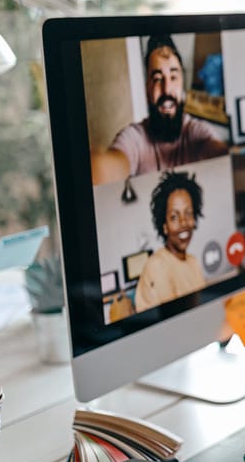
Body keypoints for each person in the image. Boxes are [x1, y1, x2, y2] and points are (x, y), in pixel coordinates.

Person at [92, 35, 228, 183]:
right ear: (147, 90)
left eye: (174, 77)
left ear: (183, 85)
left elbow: (219, 154)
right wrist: (98, 167)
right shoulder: (134, 138)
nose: (167, 89)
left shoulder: (198, 132)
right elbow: (111, 166)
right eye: (157, 79)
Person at [134, 170, 207, 312]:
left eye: (188, 213)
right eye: (174, 217)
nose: (183, 222)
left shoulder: (193, 262)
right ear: (164, 227)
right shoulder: (157, 265)